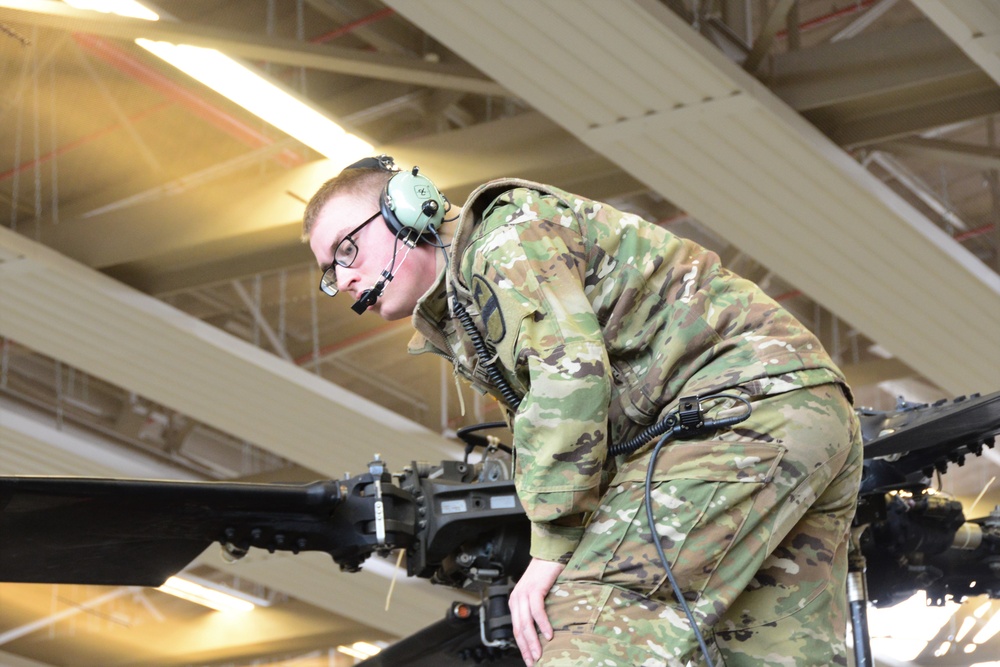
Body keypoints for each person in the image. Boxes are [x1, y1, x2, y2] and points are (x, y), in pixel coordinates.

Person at [303, 155, 863, 667]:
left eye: (347, 250)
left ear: (406, 207)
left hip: (734, 413)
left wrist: (551, 550)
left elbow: (570, 380)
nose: (344, 278)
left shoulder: (504, 243)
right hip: (799, 413)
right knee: (769, 652)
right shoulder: (469, 300)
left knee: (585, 630)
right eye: (331, 271)